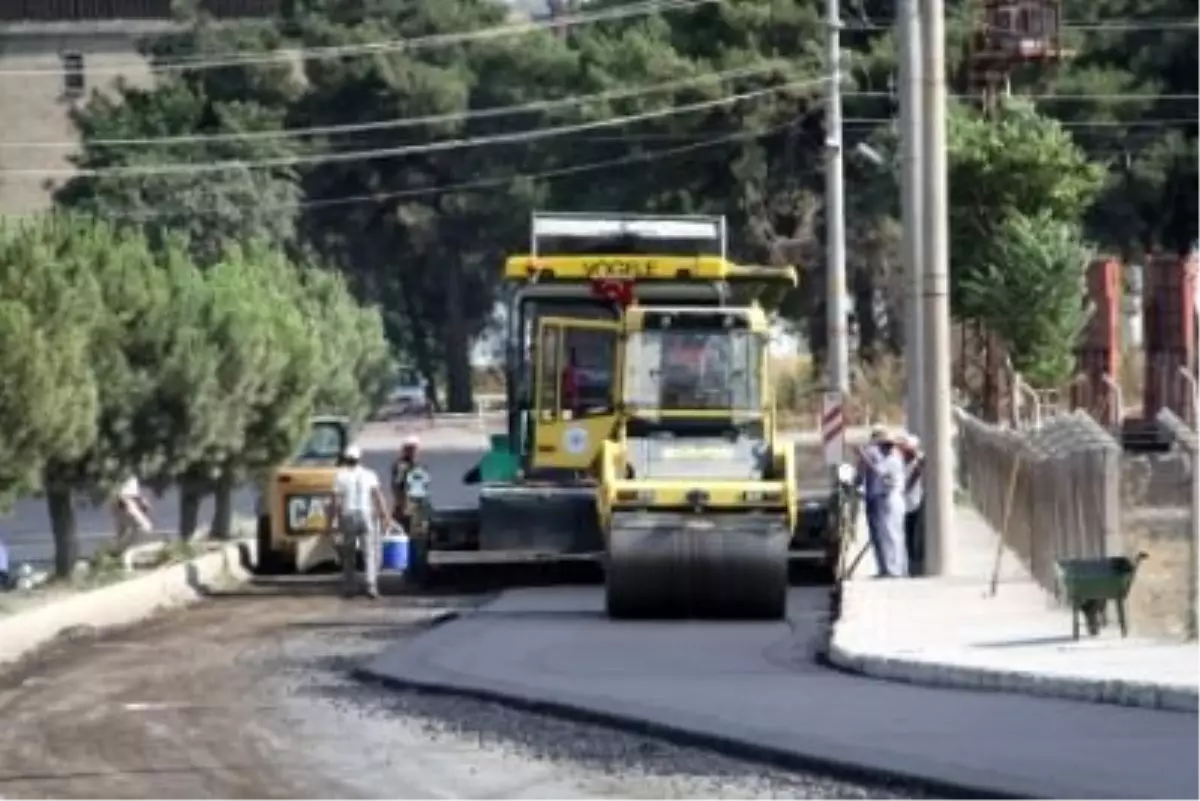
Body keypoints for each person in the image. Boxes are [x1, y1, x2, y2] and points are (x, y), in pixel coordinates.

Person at [330, 443, 391, 599]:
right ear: (359, 459)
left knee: (348, 553)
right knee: (369, 551)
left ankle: (350, 585)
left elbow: (336, 501)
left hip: (348, 514)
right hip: (366, 514)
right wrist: (385, 516)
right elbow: (378, 496)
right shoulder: (369, 474)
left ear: (346, 459)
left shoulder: (340, 476)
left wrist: (333, 520)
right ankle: (371, 585)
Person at [857, 426, 909, 578]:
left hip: (889, 498)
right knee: (883, 535)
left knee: (892, 534)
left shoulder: (892, 459)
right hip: (878, 498)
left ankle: (895, 570)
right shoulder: (880, 455)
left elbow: (881, 475)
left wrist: (864, 457)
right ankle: (886, 568)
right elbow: (862, 475)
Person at [900, 432, 926, 576]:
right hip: (904, 506)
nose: (905, 452)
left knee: (913, 538)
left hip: (914, 504)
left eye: (908, 449)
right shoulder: (901, 462)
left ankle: (913, 567)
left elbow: (913, 479)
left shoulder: (917, 463)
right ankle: (908, 566)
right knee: (906, 538)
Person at [112, 475, 153, 550]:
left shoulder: (131, 473)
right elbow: (123, 491)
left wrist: (142, 500)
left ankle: (118, 550)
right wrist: (124, 503)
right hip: (126, 502)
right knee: (145, 527)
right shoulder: (126, 472)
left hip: (124, 502)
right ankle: (125, 549)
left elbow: (134, 491)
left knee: (122, 531)